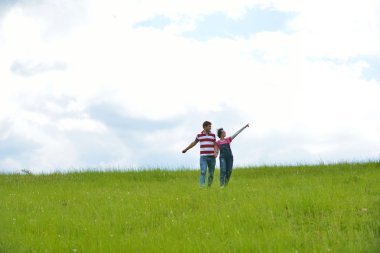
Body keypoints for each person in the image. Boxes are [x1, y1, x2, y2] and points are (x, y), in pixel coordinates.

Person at [182, 121, 216, 187]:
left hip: (212, 157)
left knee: (211, 173)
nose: (210, 127)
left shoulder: (213, 135)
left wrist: (216, 153)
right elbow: (194, 143)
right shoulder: (199, 136)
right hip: (203, 157)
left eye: (210, 126)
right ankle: (202, 187)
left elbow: (215, 145)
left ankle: (209, 187)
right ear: (205, 127)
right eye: (209, 126)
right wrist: (186, 149)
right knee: (203, 172)